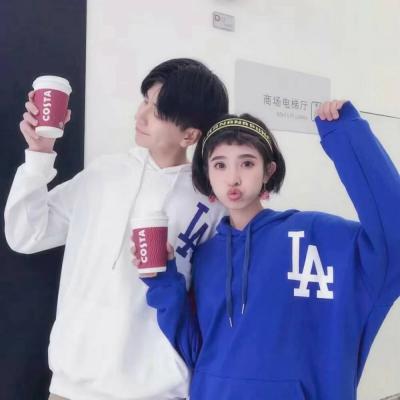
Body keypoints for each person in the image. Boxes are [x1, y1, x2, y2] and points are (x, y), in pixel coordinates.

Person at [138, 100, 400, 400]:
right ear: (207, 174)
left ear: (268, 170)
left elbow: (394, 239)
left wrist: (346, 136)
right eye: (220, 165)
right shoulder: (206, 255)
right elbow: (196, 351)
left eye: (247, 163)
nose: (233, 177)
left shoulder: (313, 235)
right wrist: (163, 281)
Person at [4, 58, 228, 400]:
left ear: (190, 135)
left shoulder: (211, 203)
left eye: (158, 111)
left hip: (158, 392)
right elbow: (26, 235)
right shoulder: (104, 174)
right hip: (72, 387)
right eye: (145, 101)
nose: (141, 115)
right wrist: (39, 155)